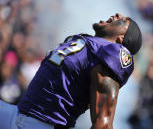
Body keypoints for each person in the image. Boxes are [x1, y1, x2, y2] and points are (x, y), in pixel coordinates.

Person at [0, 13, 142, 129]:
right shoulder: (85, 43)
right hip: (19, 113)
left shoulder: (112, 54)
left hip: (44, 124)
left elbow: (104, 123)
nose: (117, 14)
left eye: (124, 20)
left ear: (121, 39)